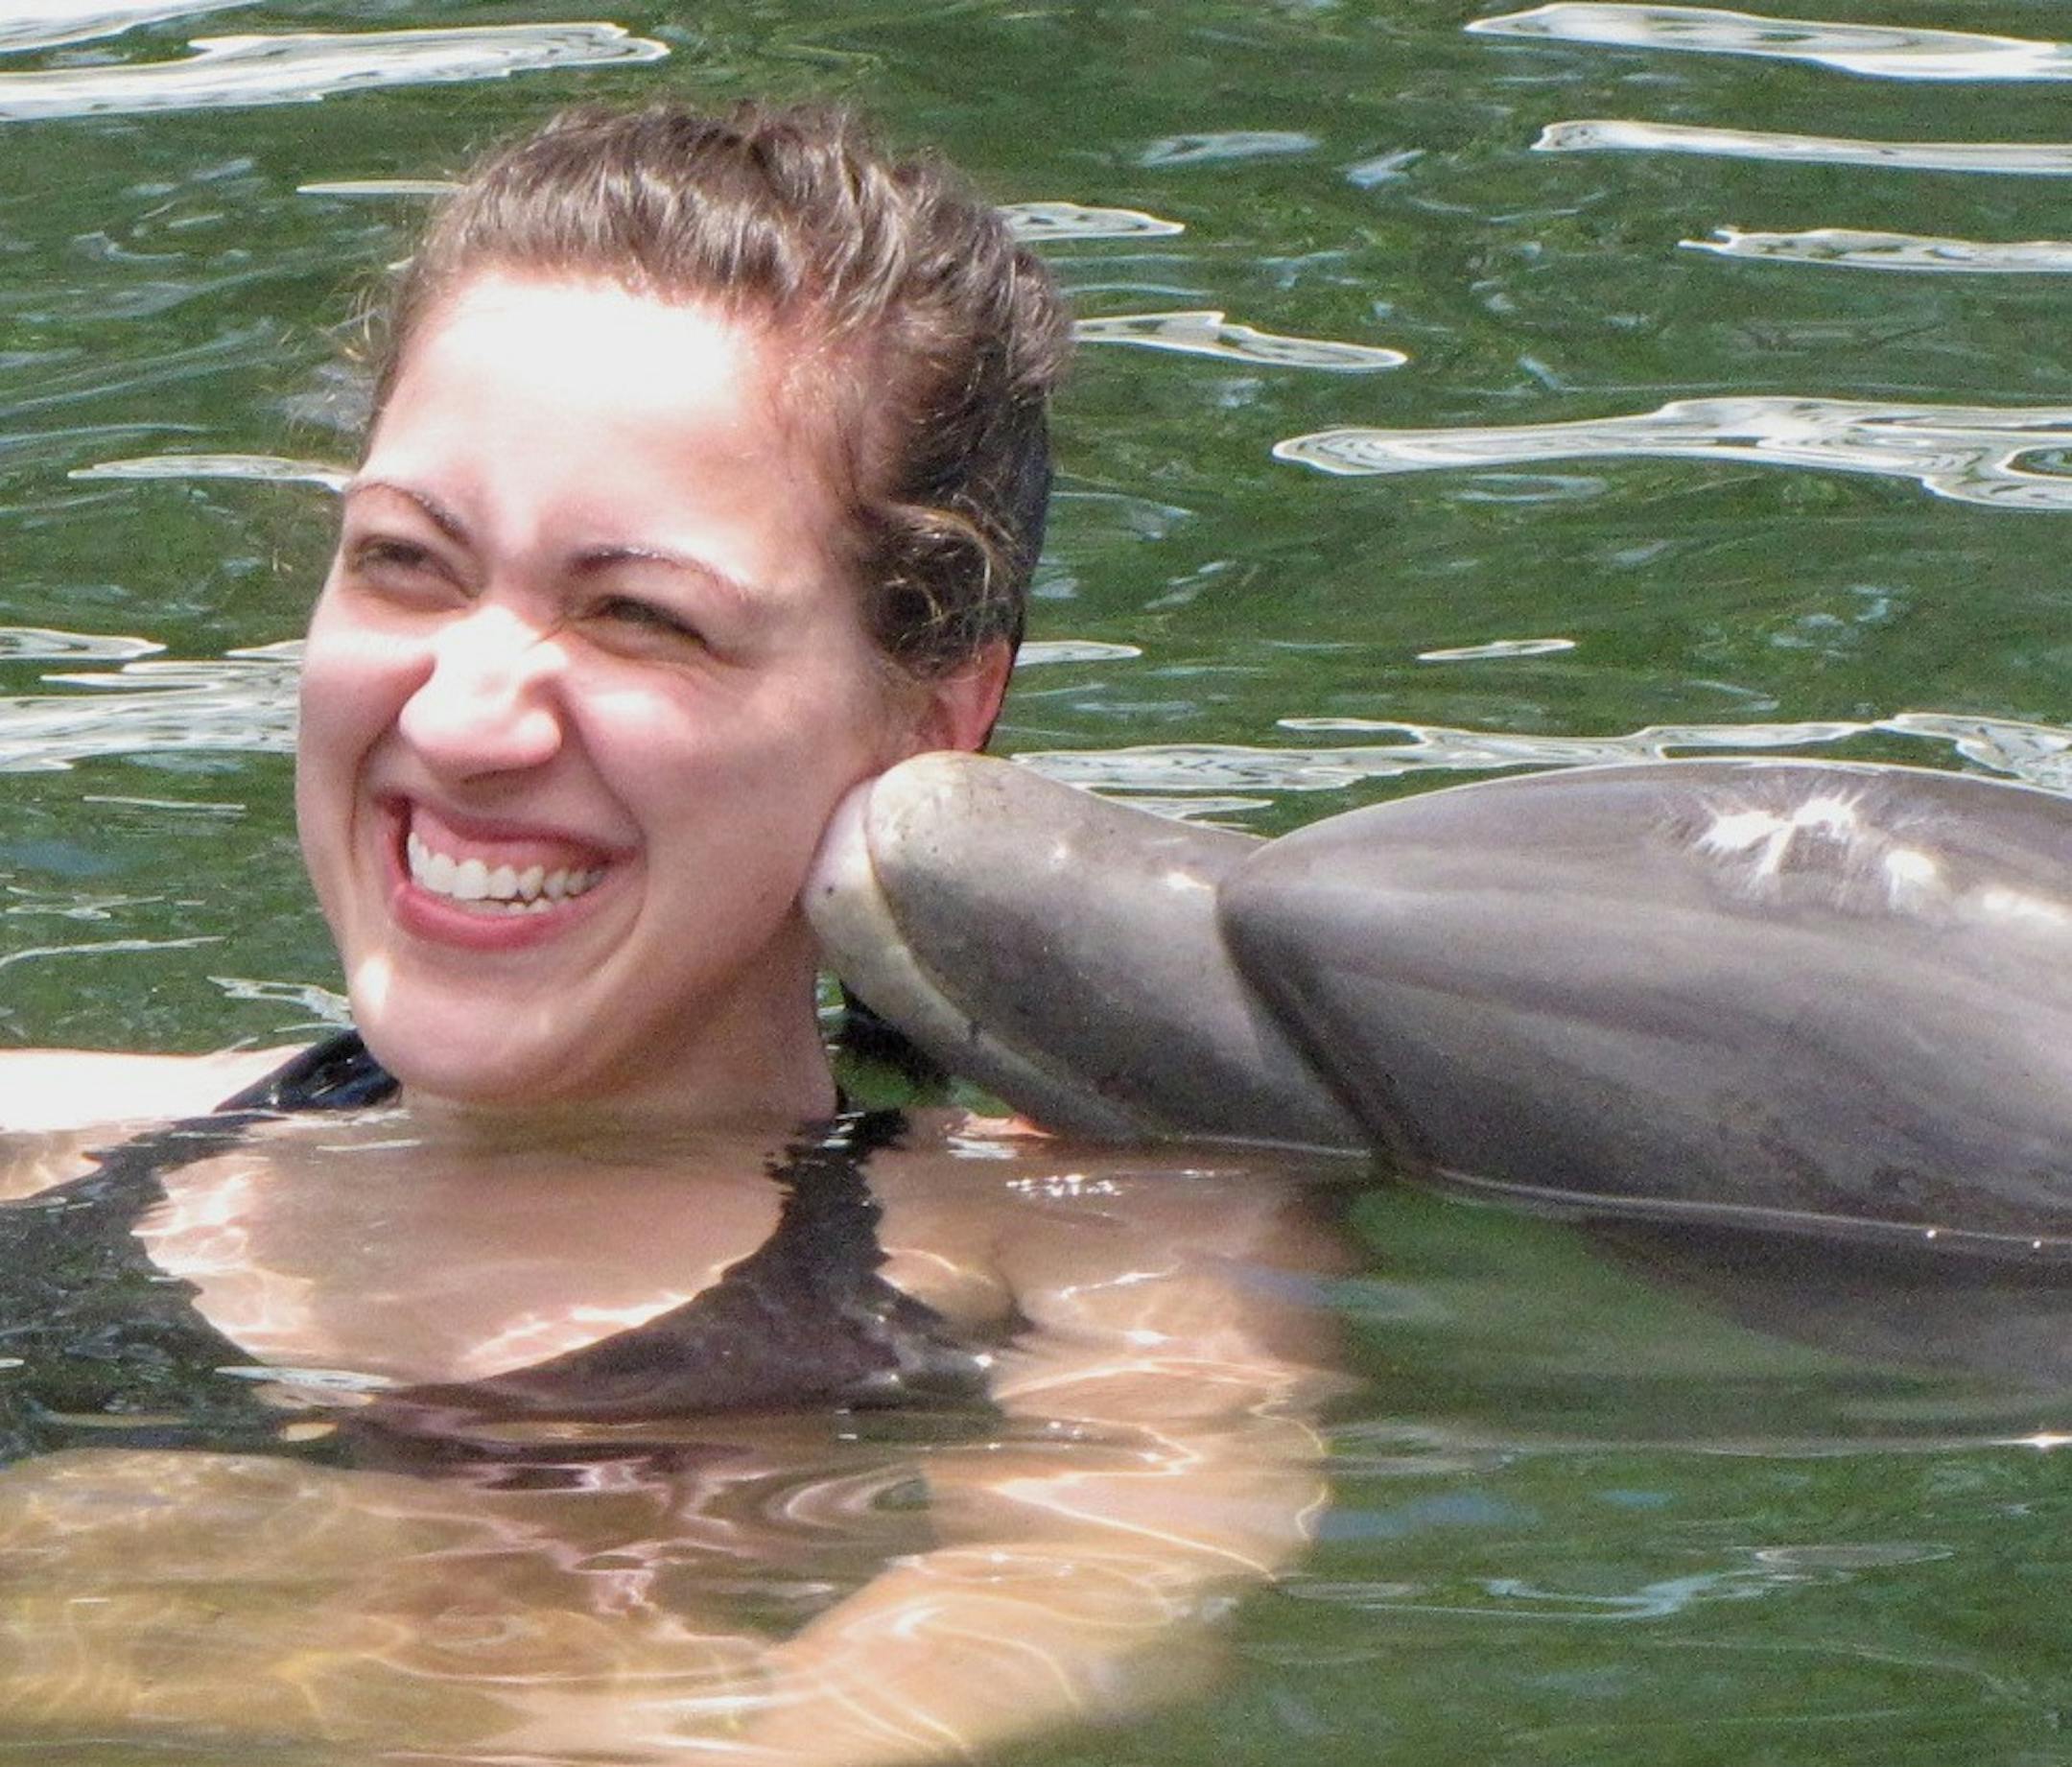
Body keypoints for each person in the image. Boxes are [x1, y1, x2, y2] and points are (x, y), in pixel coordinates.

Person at [0, 104, 1345, 1763]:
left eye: (641, 616)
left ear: (933, 723)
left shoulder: (1085, 1244)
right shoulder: (62, 1144)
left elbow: (1106, 1564)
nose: (470, 710)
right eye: (405, 565)